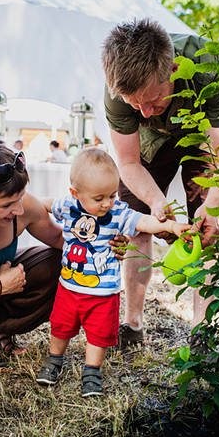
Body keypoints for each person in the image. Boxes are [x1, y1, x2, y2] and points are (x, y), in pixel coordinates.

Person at [101, 18, 219, 349]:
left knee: (210, 224)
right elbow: (130, 162)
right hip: (150, 143)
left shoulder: (210, 68)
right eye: (136, 103)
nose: (145, 111)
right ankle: (132, 325)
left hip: (201, 132)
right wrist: (155, 202)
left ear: (174, 69)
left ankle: (201, 329)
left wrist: (215, 200)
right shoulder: (119, 93)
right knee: (135, 220)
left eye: (153, 98)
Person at [0, 144, 128, 363]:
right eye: (7, 204)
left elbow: (59, 240)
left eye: (20, 197)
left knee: (62, 263)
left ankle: (1, 325)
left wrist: (105, 244)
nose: (19, 209)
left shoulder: (24, 206)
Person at [36, 147, 191, 396]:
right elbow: (43, 204)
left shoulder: (118, 212)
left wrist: (172, 226)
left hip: (103, 293)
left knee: (99, 334)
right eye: (99, 198)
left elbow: (142, 221)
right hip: (69, 288)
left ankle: (91, 371)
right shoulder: (67, 206)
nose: (107, 203)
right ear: (75, 193)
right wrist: (26, 202)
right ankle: (55, 360)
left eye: (112, 194)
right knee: (61, 326)